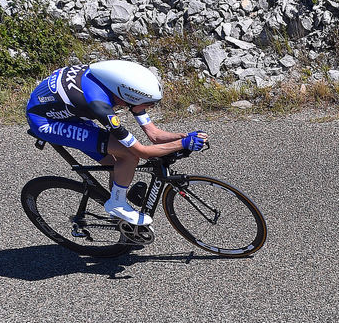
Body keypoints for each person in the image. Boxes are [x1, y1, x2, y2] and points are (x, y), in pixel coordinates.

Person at [26, 60, 206, 226]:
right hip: (46, 122)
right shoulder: (100, 105)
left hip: (68, 111)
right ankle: (117, 205)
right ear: (127, 97)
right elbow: (141, 151)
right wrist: (183, 144)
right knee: (128, 156)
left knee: (116, 164)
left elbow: (154, 135)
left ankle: (118, 213)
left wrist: (182, 136)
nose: (148, 108)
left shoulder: (115, 83)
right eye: (147, 104)